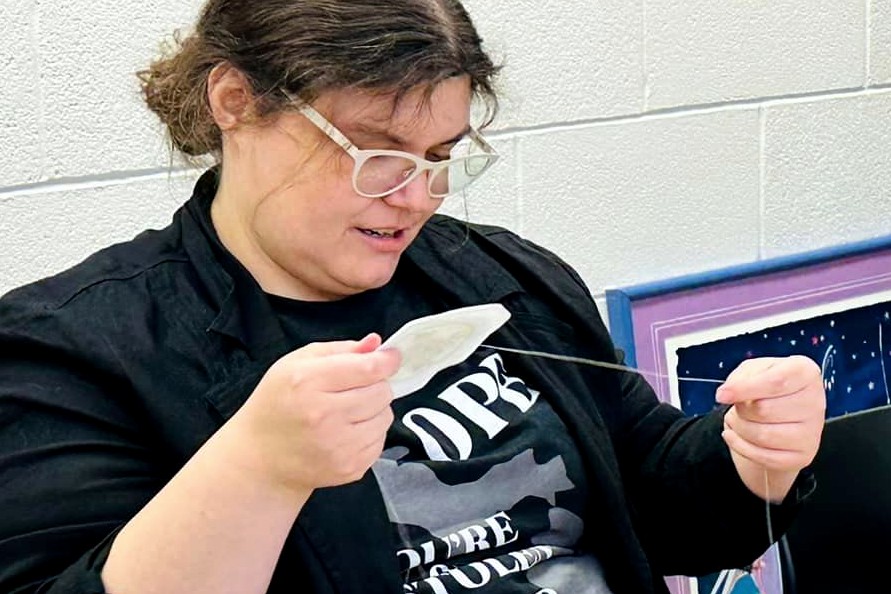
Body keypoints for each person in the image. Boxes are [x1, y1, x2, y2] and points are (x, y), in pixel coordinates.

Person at [0, 1, 826, 593]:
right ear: (235, 101)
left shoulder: (502, 274)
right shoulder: (74, 352)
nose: (416, 196)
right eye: (376, 154)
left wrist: (751, 461)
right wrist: (254, 470)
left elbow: (653, 506)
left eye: (442, 155)